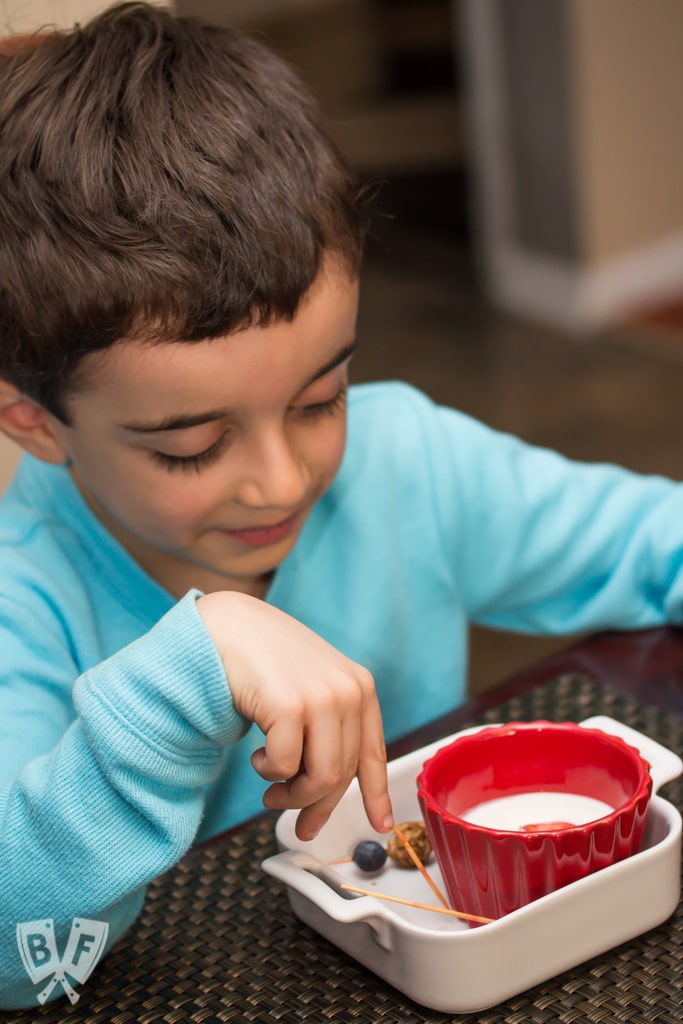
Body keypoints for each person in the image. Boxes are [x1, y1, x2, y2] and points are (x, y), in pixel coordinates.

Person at [0, 2, 682, 1009]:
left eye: (319, 399)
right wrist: (192, 668)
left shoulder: (410, 462)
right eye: (192, 445)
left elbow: (651, 541)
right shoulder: (25, 598)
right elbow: (19, 956)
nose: (280, 481)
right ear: (36, 422)